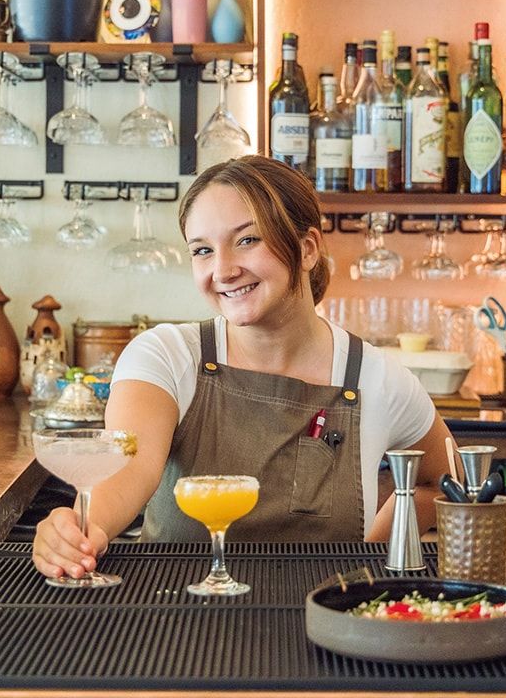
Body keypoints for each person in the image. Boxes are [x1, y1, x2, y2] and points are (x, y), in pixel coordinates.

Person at [33, 155, 452, 581]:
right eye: (203, 250)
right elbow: (130, 464)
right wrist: (83, 529)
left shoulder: (377, 379)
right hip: (171, 617)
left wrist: (366, 561)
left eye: (248, 240)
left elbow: (444, 483)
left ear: (307, 249)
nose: (223, 270)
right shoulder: (167, 356)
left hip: (322, 619)